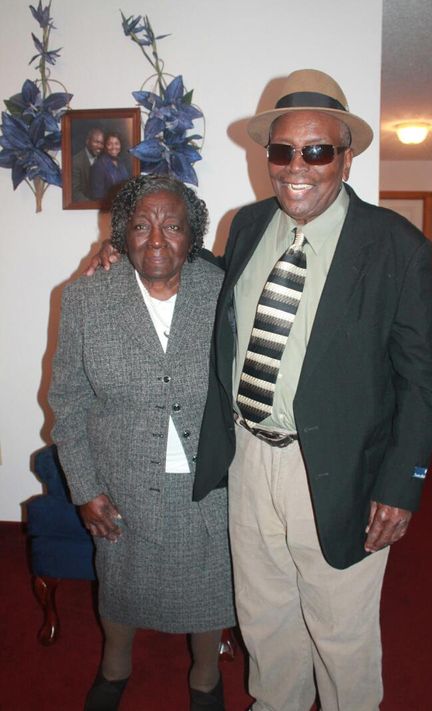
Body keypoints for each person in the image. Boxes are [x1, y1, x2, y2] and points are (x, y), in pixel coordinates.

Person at [89, 70, 432, 711]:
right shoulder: (247, 225)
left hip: (339, 469)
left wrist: (402, 484)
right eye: (282, 151)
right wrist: (121, 252)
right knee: (265, 616)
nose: (296, 167)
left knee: (340, 632)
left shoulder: (397, 247)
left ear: (346, 155)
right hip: (249, 460)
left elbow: (421, 384)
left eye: (317, 151)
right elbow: (203, 283)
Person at [49, 174, 234, 711]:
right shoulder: (85, 299)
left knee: (209, 584)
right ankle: (115, 666)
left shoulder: (223, 290)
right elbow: (68, 400)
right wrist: (85, 488)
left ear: (192, 234)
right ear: (121, 235)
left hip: (209, 479)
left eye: (172, 225)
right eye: (141, 225)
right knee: (122, 585)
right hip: (122, 479)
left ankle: (205, 676)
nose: (156, 239)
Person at [89, 131, 130, 201]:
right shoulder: (99, 166)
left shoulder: (121, 163)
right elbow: (97, 197)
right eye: (109, 144)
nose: (113, 147)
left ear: (120, 145)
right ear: (105, 146)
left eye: (116, 143)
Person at [72, 127, 104, 202]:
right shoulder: (76, 162)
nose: (99, 146)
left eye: (102, 143)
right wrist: (92, 206)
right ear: (87, 141)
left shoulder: (102, 159)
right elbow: (75, 193)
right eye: (96, 142)